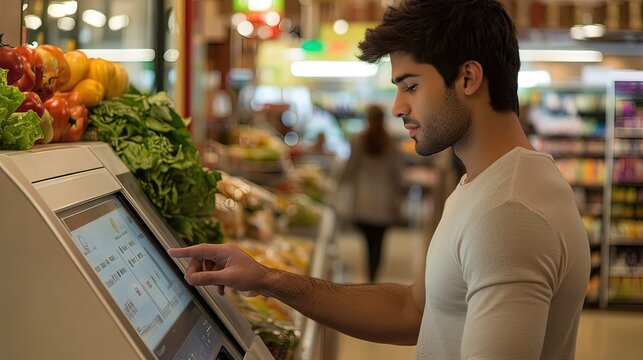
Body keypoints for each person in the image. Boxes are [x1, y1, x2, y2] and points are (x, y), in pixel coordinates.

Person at [169, 1, 591, 358]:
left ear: (467, 78)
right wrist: (266, 279)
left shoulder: (509, 212)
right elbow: (413, 310)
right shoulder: (486, 185)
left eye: (410, 85)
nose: (397, 107)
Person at [340, 104, 403, 282]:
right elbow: (397, 175)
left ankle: (369, 277)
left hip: (363, 202)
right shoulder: (391, 143)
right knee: (379, 244)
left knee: (367, 243)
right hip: (384, 202)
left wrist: (340, 185)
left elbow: (350, 169)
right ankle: (373, 278)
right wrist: (399, 200)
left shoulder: (359, 141)